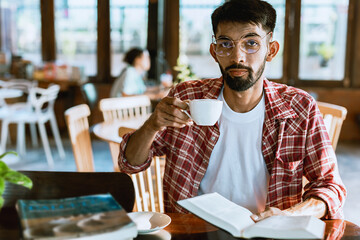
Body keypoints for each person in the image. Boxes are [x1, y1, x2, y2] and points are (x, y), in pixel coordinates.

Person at [118, 0, 346, 221]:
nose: (237, 57)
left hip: (268, 233)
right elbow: (130, 163)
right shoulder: (187, 98)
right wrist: (152, 125)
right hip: (193, 231)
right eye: (226, 43)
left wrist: (288, 216)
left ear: (271, 50)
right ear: (214, 51)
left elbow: (330, 187)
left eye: (251, 43)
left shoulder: (299, 108)